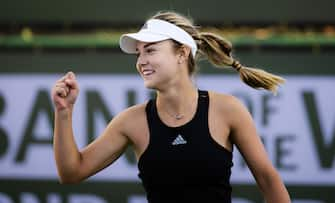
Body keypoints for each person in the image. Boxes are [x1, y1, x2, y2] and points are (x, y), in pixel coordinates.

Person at [52, 11, 291, 203]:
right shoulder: (130, 121)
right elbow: (72, 172)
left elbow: (269, 181)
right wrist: (64, 112)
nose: (141, 61)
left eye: (151, 50)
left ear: (182, 53)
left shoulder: (228, 109)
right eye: (138, 53)